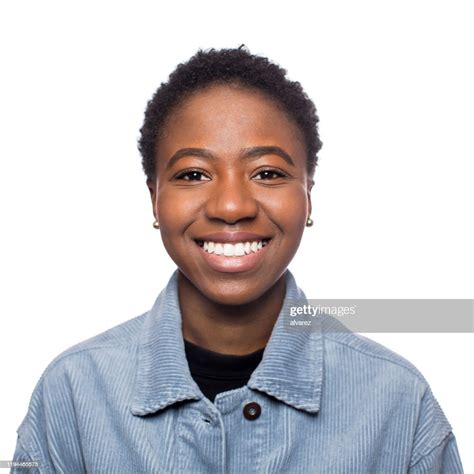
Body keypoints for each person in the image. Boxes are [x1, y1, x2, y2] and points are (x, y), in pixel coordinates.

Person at [11, 47, 464, 473]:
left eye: (267, 173)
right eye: (193, 174)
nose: (231, 206)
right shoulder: (72, 393)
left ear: (307, 194)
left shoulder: (398, 401)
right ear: (155, 200)